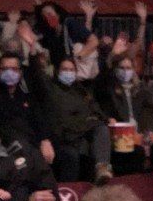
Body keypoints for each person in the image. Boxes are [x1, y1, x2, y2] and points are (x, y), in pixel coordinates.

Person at [34, 51, 112, 182]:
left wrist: (106, 119)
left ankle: (102, 169)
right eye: (64, 69)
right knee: (73, 153)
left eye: (71, 70)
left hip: (83, 131)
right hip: (64, 135)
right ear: (57, 71)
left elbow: (94, 106)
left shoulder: (80, 90)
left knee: (102, 129)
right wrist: (33, 54)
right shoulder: (50, 88)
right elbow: (37, 76)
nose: (68, 73)